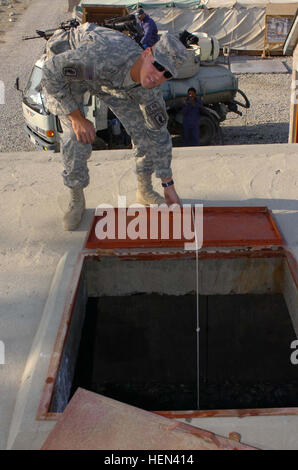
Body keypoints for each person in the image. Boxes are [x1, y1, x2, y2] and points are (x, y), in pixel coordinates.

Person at [41, 23, 188, 230]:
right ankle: (76, 198)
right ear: (147, 54)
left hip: (112, 84)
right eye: (157, 65)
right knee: (77, 137)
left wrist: (168, 183)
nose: (158, 76)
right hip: (75, 74)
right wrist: (77, 118)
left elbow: (159, 135)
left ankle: (144, 189)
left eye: (167, 74)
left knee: (146, 132)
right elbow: (50, 73)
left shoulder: (150, 89)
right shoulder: (100, 59)